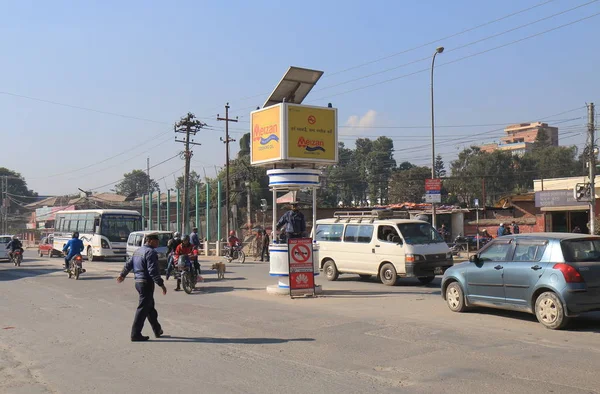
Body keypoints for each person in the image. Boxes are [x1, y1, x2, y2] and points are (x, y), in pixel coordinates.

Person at [117, 233, 166, 342]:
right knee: (143, 308)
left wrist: (122, 274)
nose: (158, 242)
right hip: (146, 282)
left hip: (138, 282)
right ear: (150, 241)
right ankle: (135, 334)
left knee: (150, 307)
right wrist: (161, 284)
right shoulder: (151, 252)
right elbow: (152, 270)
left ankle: (157, 329)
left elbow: (129, 264)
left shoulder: (138, 251)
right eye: (156, 240)